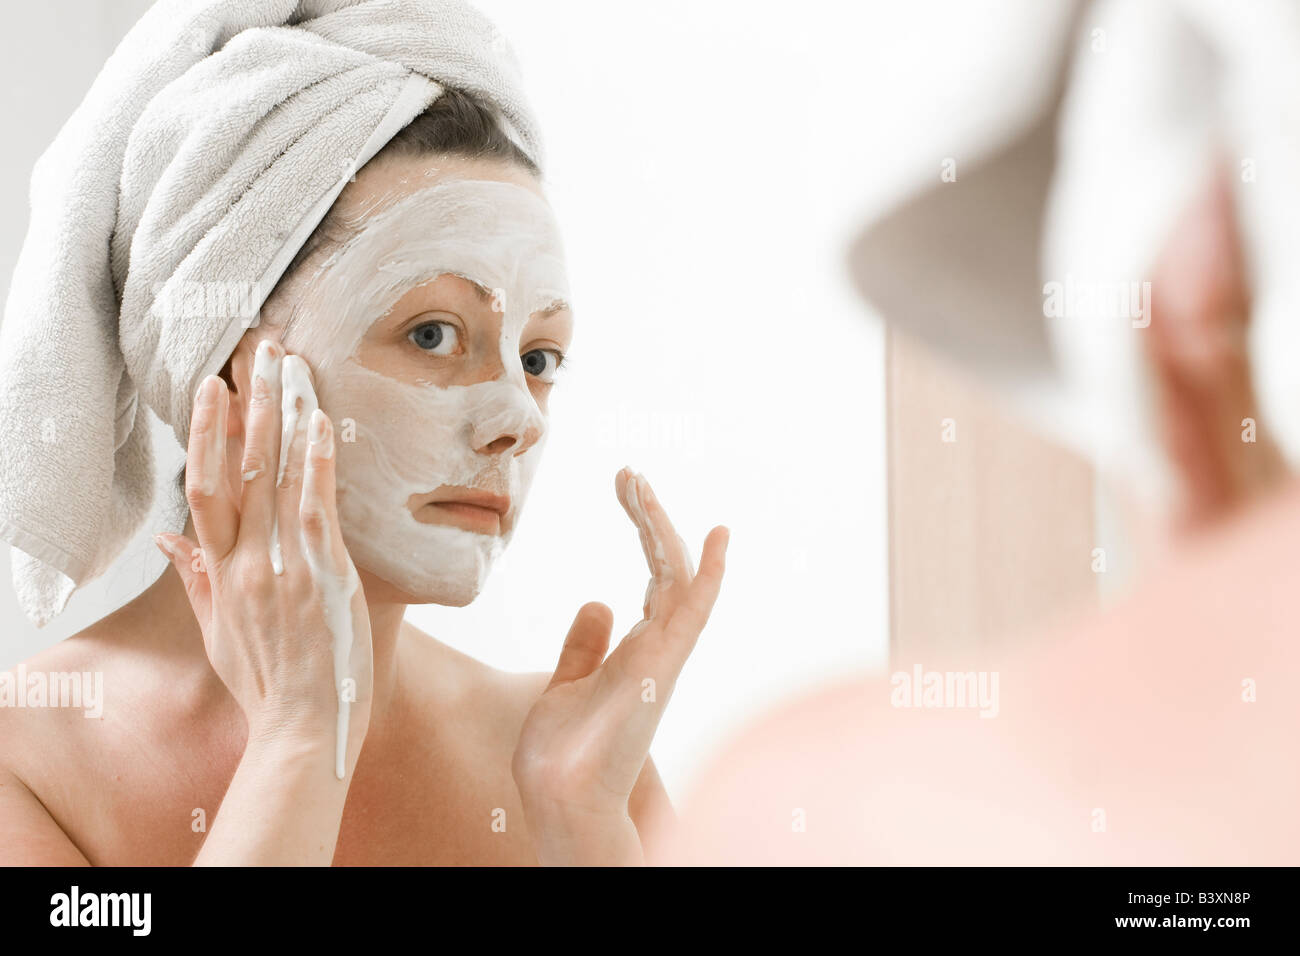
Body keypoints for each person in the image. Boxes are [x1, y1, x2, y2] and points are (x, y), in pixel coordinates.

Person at [0, 5, 726, 866]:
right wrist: (299, 740)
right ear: (233, 375)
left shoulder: (579, 764)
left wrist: (583, 829)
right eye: (432, 334)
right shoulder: (29, 768)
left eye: (538, 356)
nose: (518, 420)